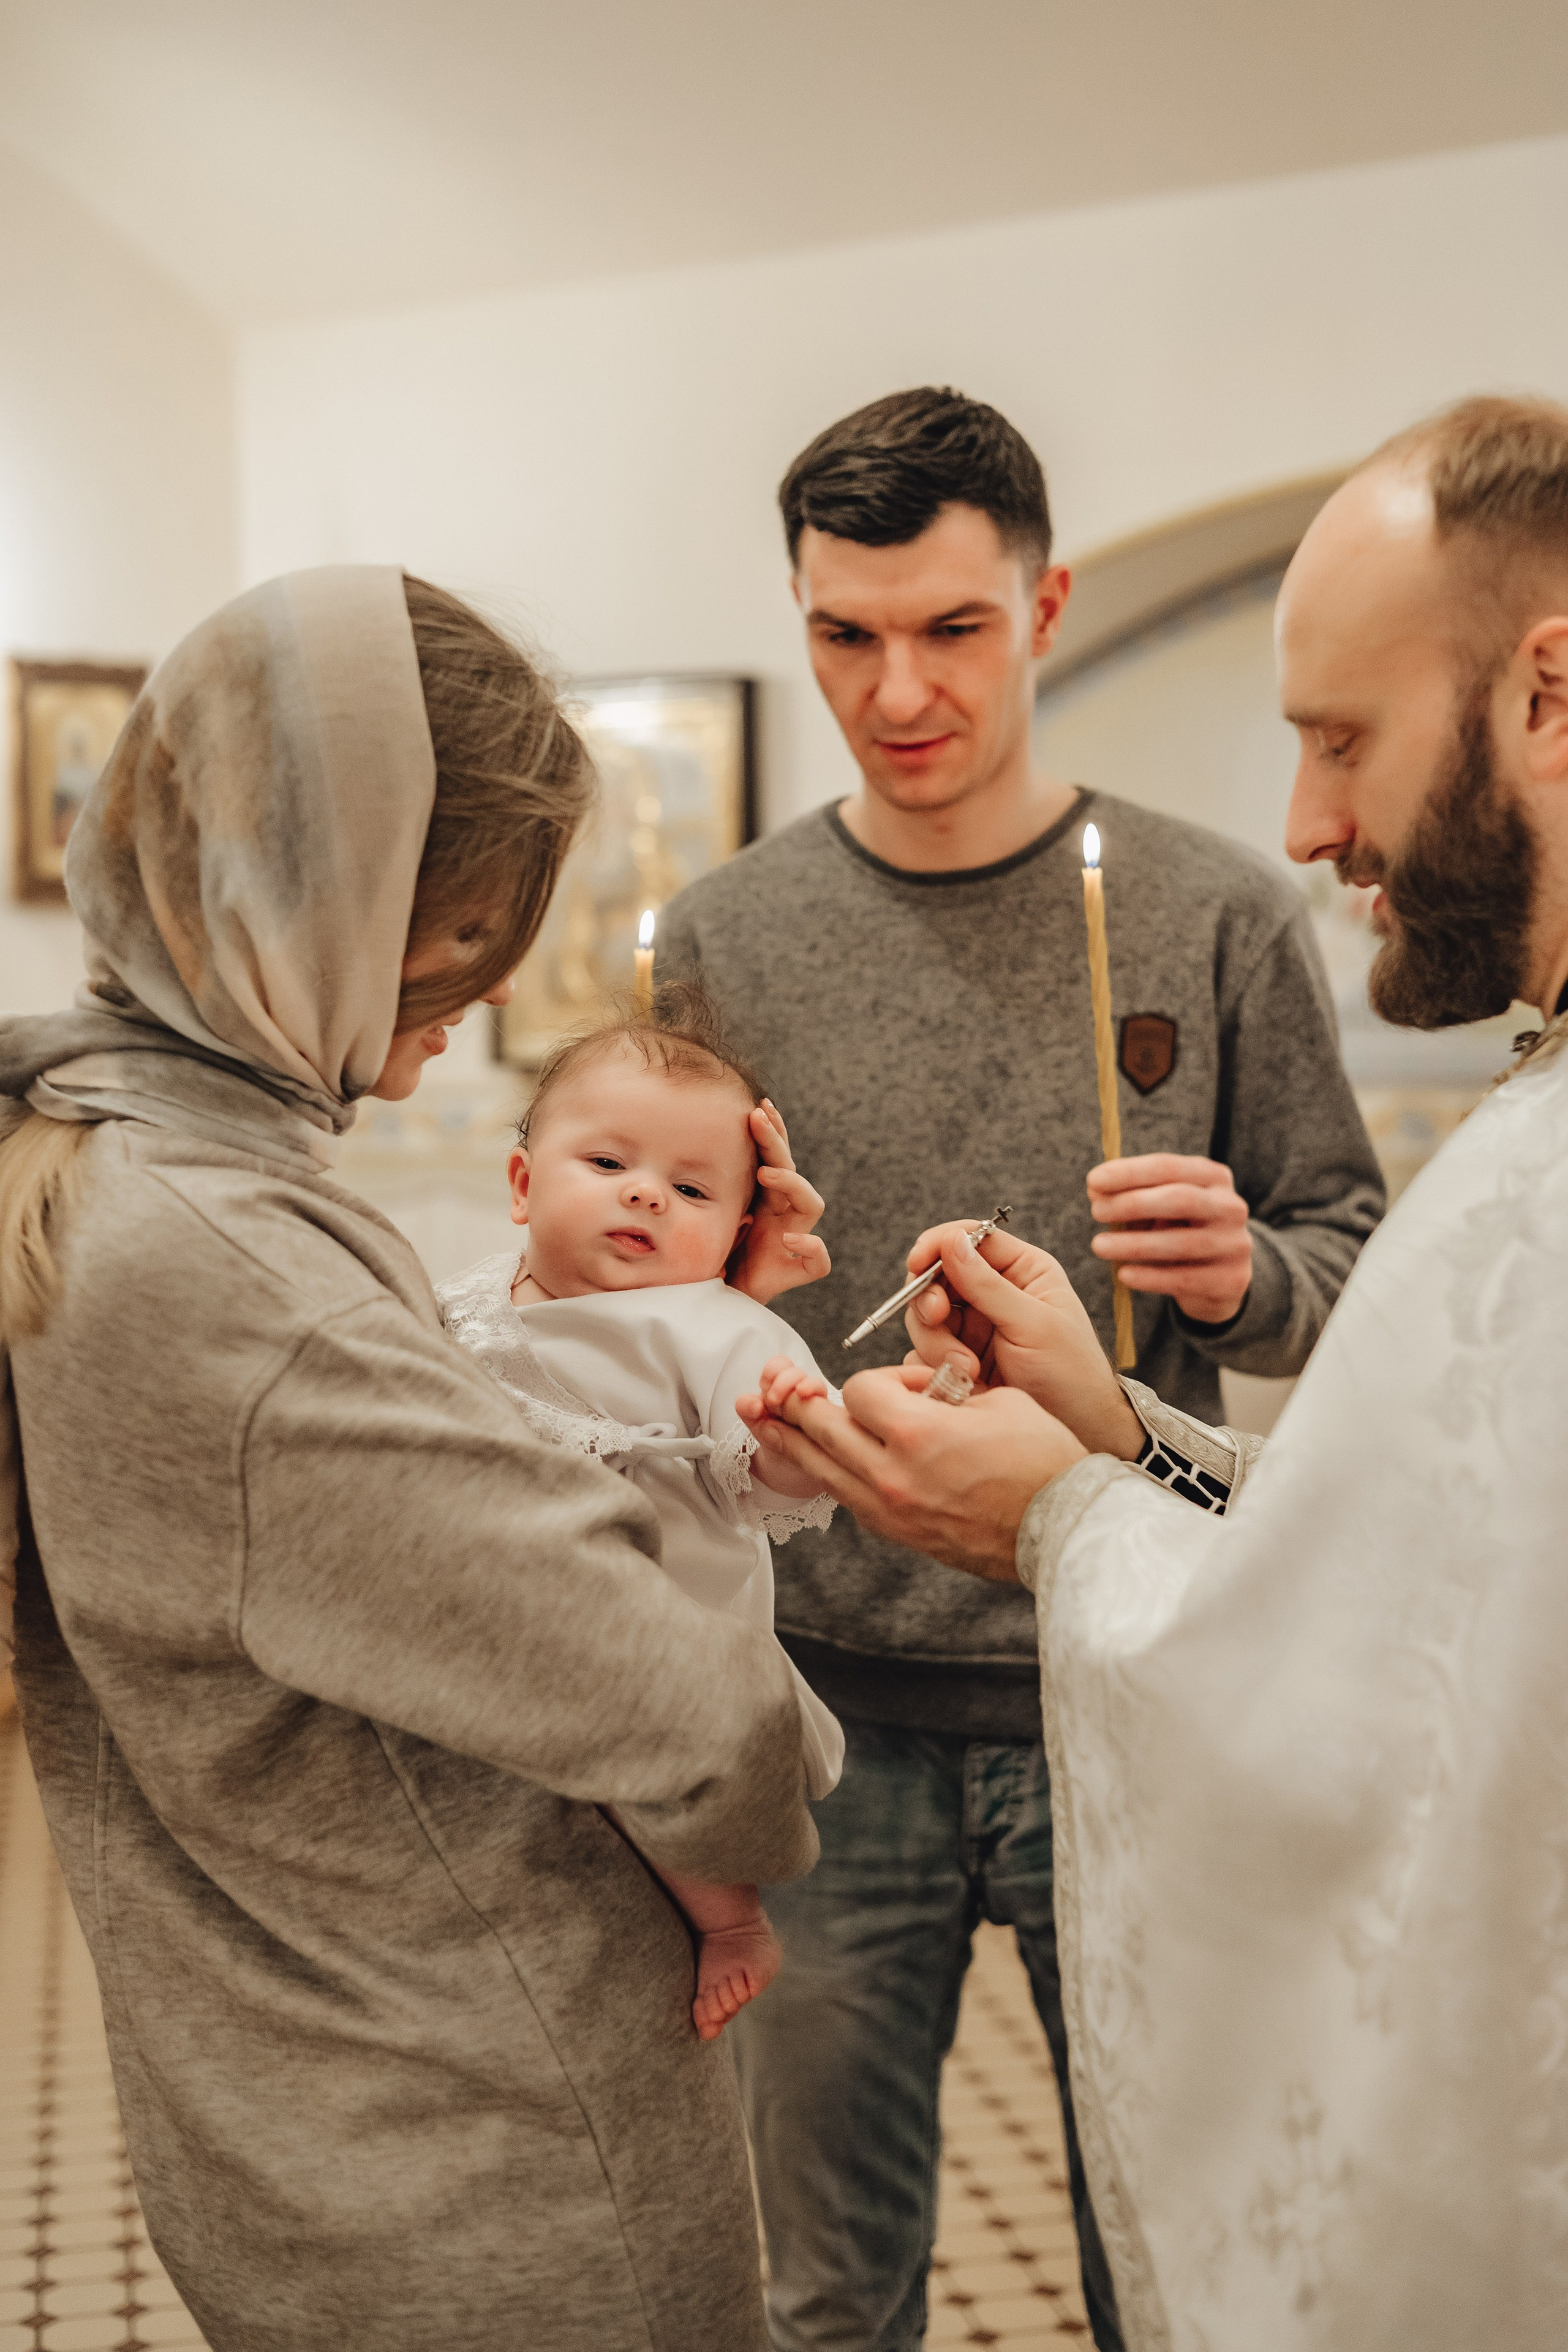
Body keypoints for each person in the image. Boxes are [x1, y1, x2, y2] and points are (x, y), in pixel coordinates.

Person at [739, 393, 1568, 2352]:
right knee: (827, 2281)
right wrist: (1095, 1423)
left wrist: (1210, 1324)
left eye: (1342, 736)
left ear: (1042, 610)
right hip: (837, 1701)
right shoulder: (729, 929)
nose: (899, 686)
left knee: (1140, 2224)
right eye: (844, 636)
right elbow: (1403, 1548)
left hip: (1098, 1698)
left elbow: (1361, 1463)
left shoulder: (1218, 911)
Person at [0, 567, 820, 2352]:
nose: (485, 994)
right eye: (455, 939)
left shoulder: (126, 1164)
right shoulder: (228, 1271)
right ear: (319, 899)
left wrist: (659, 1326)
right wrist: (778, 1786)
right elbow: (690, 1704)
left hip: (322, 2108)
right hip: (488, 2152)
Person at [437, 981, 843, 2041]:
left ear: (740, 1231)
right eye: (610, 1166)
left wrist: (792, 1441)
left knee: (658, 1780)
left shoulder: (715, 1330)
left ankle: (729, 1921)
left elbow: (763, 1481)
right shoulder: (472, 1303)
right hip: (506, 1607)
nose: (647, 1197)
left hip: (663, 1619)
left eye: (693, 1189)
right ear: (525, 1185)